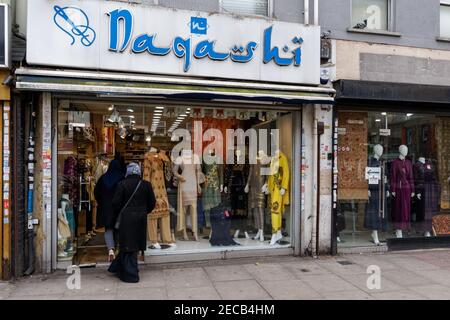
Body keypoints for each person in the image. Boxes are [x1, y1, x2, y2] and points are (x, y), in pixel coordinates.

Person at [108, 163, 156, 283]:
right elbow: (152, 203)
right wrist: (143, 211)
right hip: (140, 218)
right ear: (138, 172)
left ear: (128, 172)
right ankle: (119, 267)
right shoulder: (146, 185)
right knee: (134, 246)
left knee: (126, 245)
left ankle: (131, 275)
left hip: (126, 219)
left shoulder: (122, 184)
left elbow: (115, 203)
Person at [94, 159, 124, 262]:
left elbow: (96, 192)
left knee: (108, 229)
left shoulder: (103, 178)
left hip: (106, 208)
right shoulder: (121, 177)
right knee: (118, 228)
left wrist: (101, 202)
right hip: (118, 207)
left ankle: (111, 250)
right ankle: (118, 249)